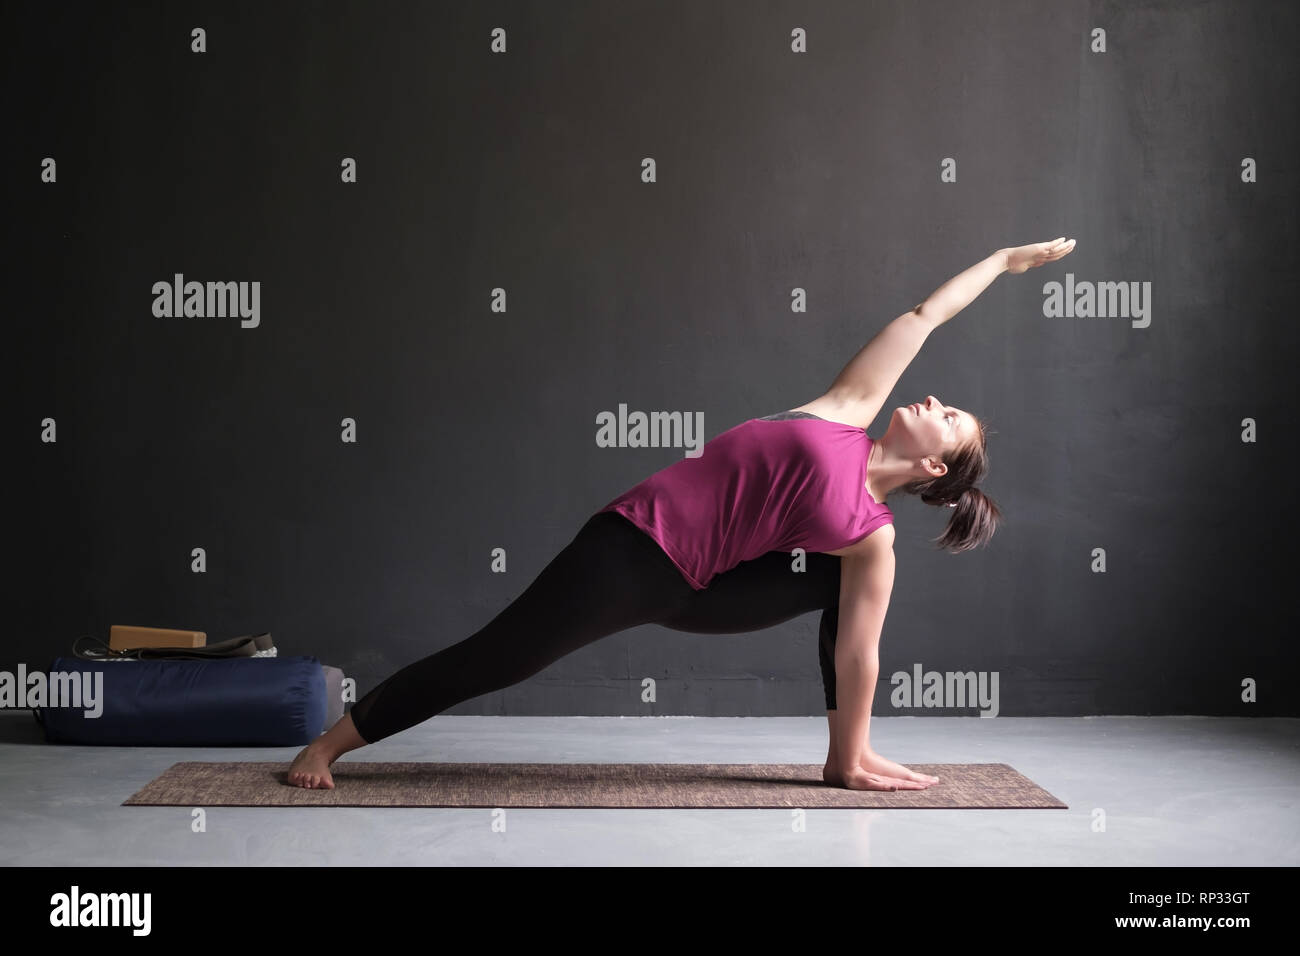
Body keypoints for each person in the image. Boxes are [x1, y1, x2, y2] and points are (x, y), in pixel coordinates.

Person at [286, 237, 1076, 791]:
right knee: (501, 658)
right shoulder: (846, 408)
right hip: (631, 551)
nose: (934, 399)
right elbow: (925, 314)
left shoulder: (873, 538)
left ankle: (847, 761)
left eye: (950, 415)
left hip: (702, 592)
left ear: (935, 466)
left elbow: (859, 655)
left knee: (847, 592)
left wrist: (857, 739)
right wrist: (1004, 263)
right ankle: (331, 743)